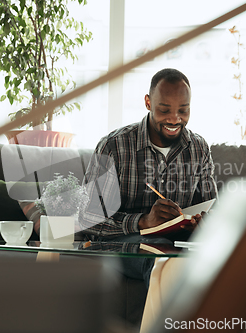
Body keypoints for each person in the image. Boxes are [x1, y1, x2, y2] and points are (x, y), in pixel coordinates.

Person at [79, 68, 218, 286]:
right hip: (120, 243)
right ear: (148, 103)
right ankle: (171, 321)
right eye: (164, 110)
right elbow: (87, 218)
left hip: (178, 241)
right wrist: (143, 222)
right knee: (161, 254)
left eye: (183, 110)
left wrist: (202, 223)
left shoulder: (199, 148)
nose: (175, 119)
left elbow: (210, 210)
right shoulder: (114, 146)